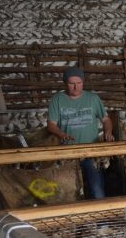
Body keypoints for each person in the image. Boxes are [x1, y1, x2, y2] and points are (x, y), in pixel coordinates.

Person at [47, 66, 114, 199]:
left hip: (90, 151)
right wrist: (61, 134)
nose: (75, 87)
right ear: (66, 84)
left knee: (97, 190)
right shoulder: (57, 100)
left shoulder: (93, 99)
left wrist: (108, 131)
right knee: (69, 192)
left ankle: (101, 217)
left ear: (83, 83)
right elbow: (51, 125)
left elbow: (106, 120)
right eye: (72, 83)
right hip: (67, 153)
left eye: (79, 83)